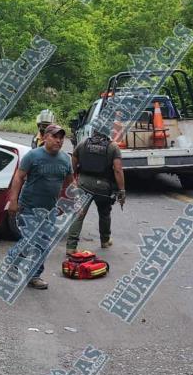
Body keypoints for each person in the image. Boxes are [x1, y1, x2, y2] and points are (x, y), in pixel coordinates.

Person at [7, 124, 73, 289]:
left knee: (43, 243)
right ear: (45, 137)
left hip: (50, 209)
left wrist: (69, 202)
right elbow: (18, 177)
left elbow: (70, 183)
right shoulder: (33, 156)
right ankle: (13, 258)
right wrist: (13, 201)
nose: (59, 141)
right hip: (29, 206)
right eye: (55, 137)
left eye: (61, 138)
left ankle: (34, 276)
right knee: (30, 240)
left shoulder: (66, 159)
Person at [66, 131, 126, 254]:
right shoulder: (113, 147)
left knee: (79, 214)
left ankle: (71, 246)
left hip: (84, 183)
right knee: (104, 213)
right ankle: (105, 240)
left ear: (93, 132)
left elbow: (73, 160)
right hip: (103, 186)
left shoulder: (83, 144)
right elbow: (118, 170)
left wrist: (75, 176)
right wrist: (122, 190)